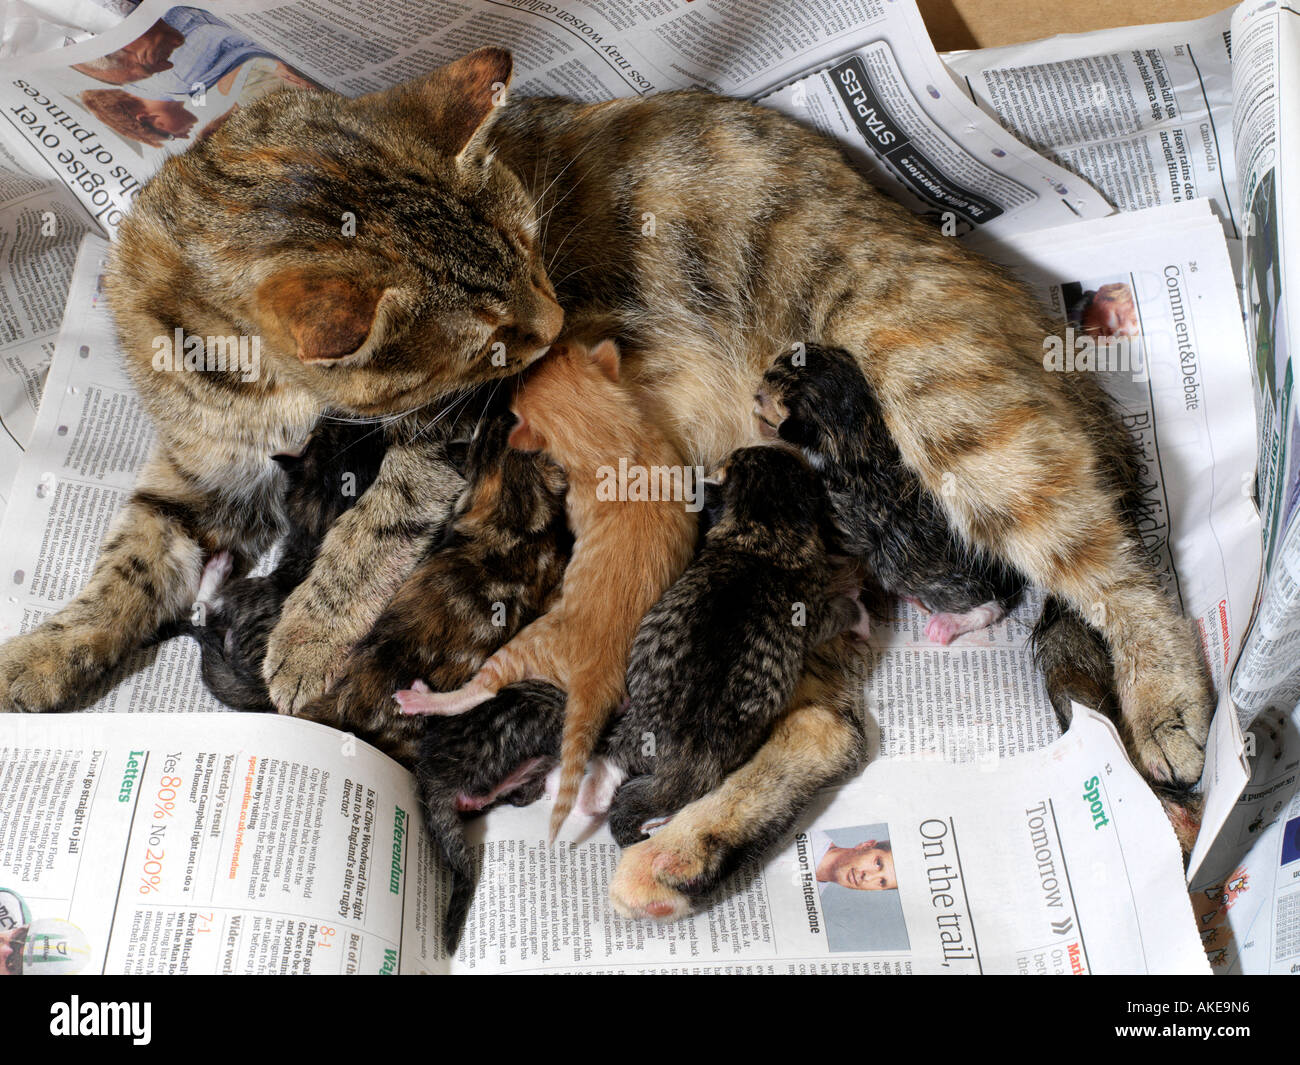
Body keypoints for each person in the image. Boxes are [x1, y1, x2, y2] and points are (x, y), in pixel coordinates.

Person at [809, 828, 896, 891]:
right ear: (866, 846)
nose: (868, 877)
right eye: (878, 863)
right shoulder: (807, 832)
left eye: (882, 882)